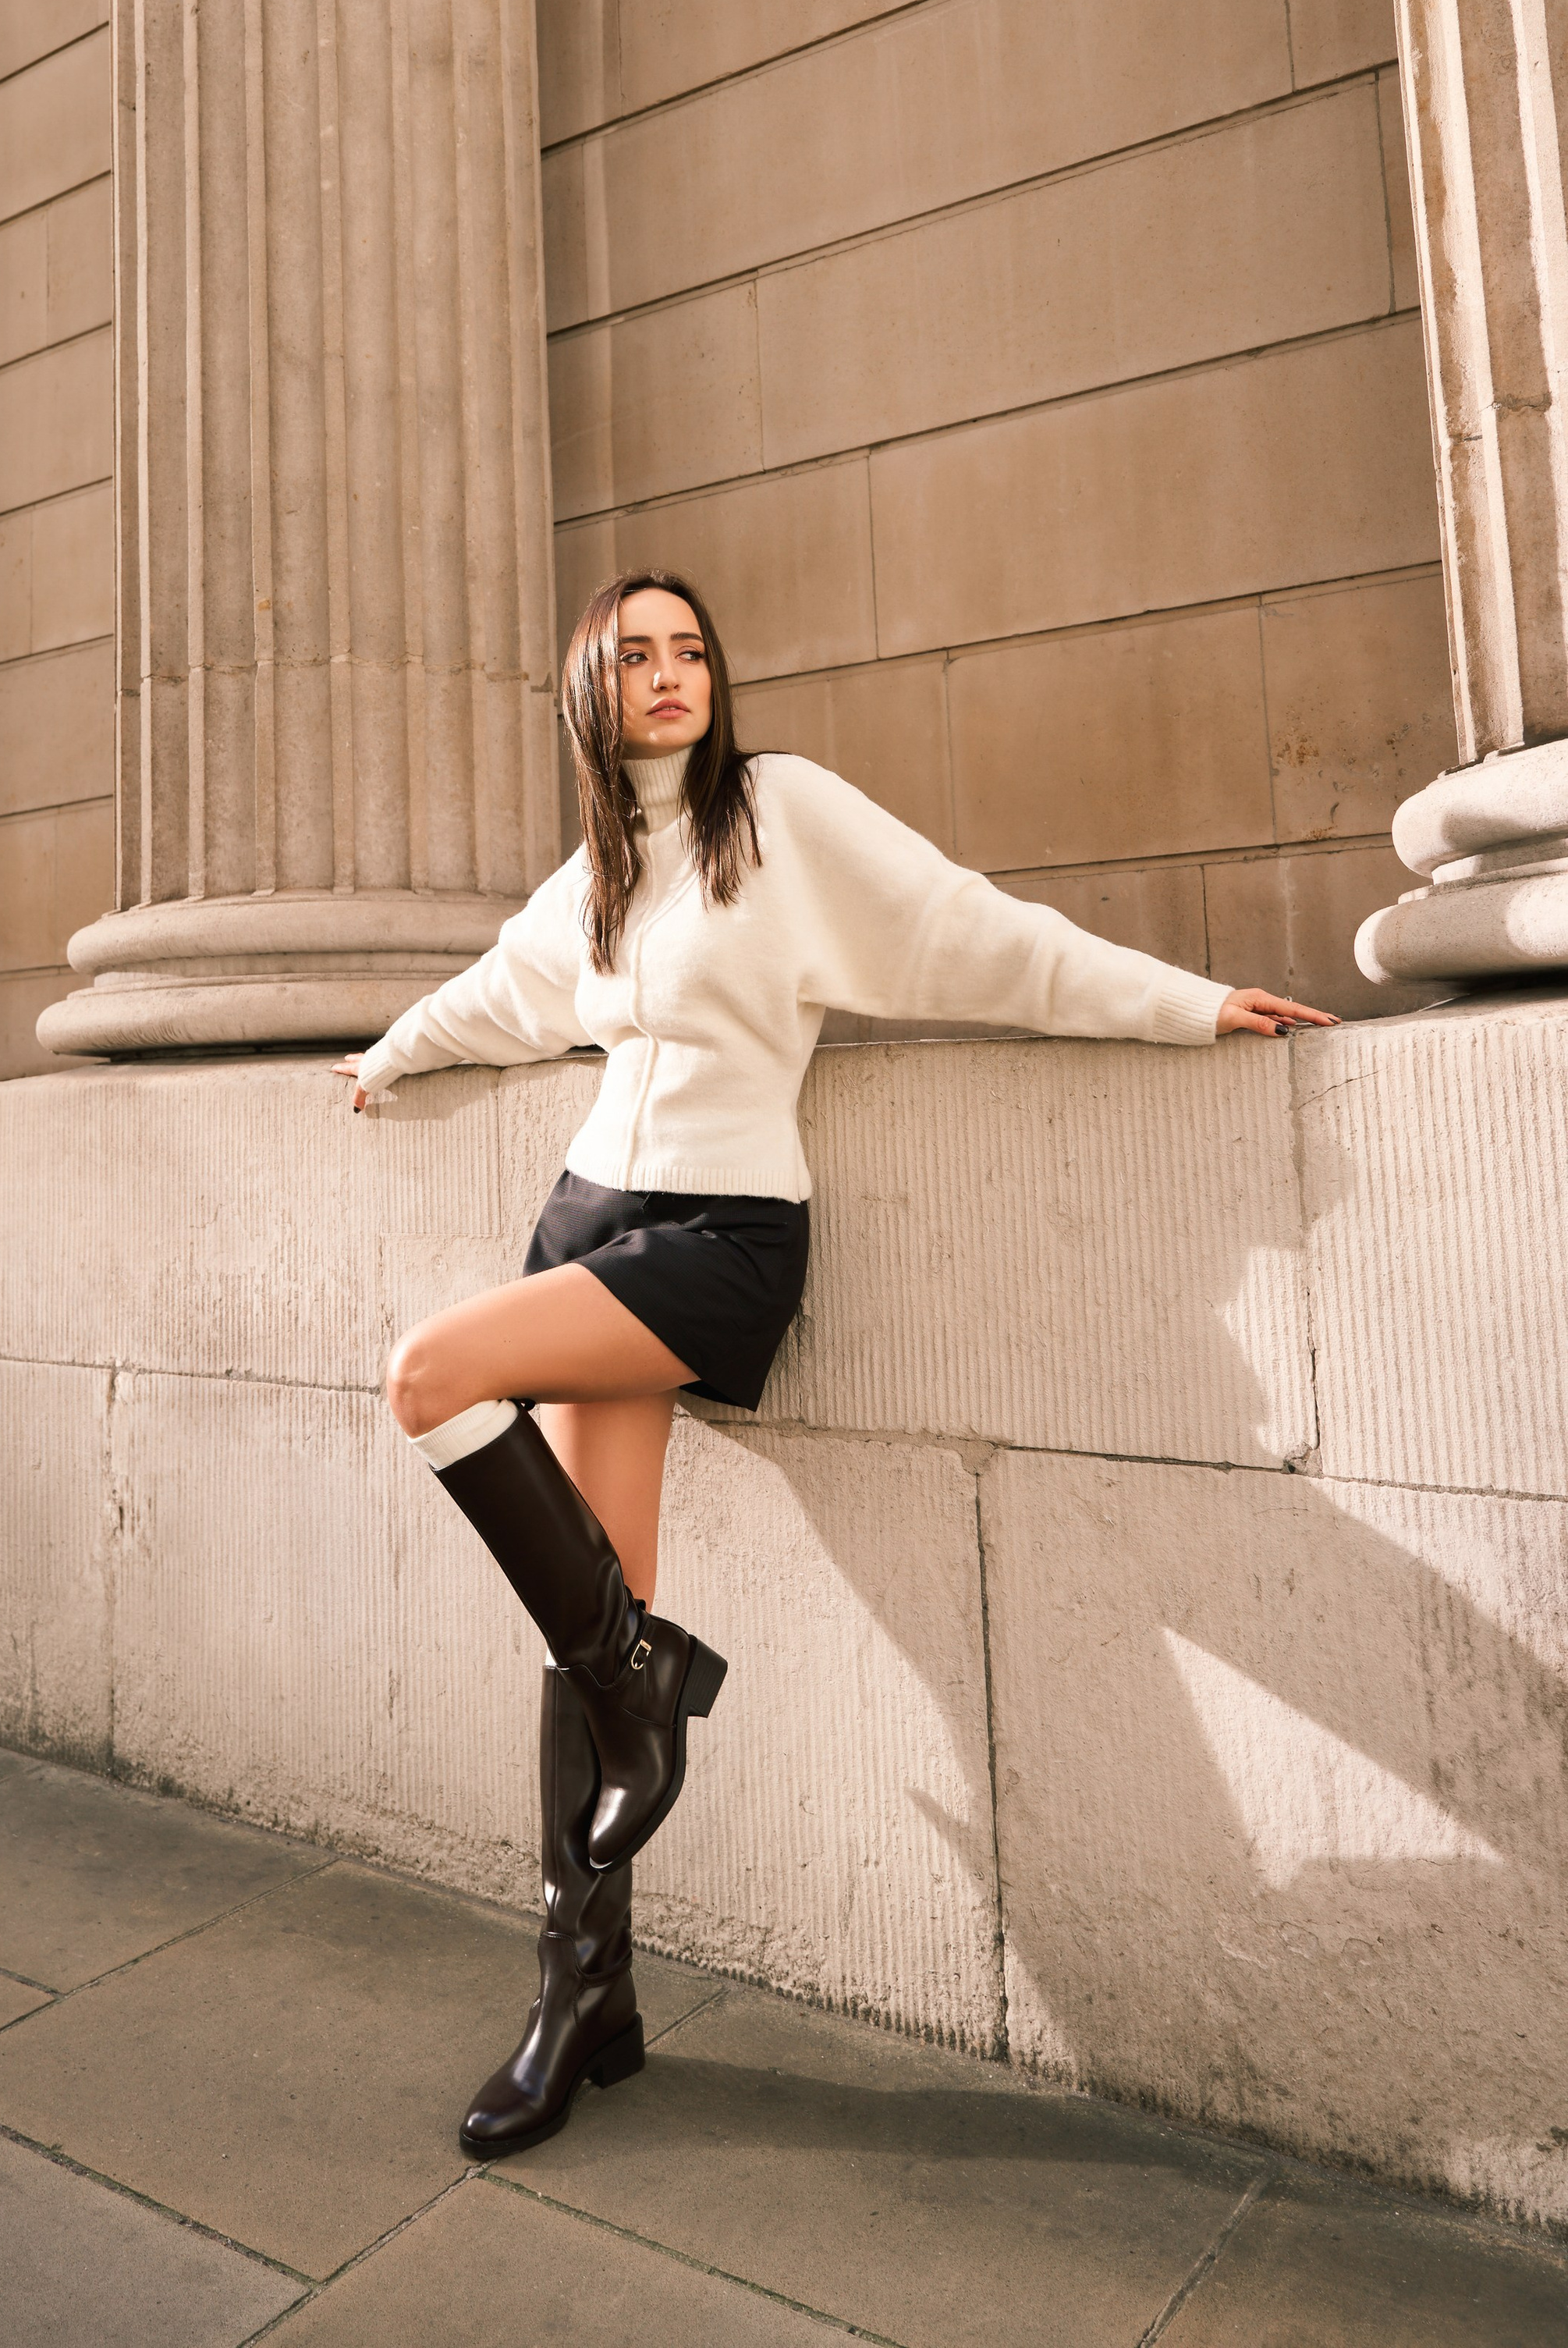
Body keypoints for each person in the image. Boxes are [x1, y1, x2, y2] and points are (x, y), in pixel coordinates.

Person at [334, 570, 1336, 2161]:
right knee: (580, 1628)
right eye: (634, 657)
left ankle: (648, 1688)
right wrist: (389, 1055)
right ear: (586, 697)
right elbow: (497, 998)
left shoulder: (779, 817)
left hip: (715, 1240)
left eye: (690, 651)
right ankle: (578, 1996)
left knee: (428, 1379)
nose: (670, 676)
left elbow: (974, 935)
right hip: (588, 1219)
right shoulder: (593, 873)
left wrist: (1183, 1002)